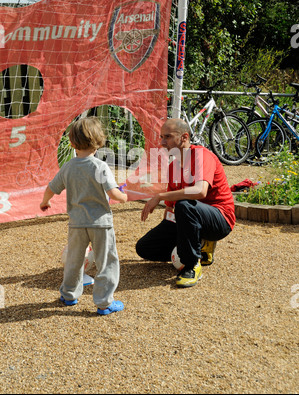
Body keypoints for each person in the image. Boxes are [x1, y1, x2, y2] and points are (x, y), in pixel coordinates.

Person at [40, 117, 127, 315]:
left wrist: (45, 202)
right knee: (107, 261)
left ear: (71, 143)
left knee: (74, 260)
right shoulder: (100, 167)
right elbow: (114, 193)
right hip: (101, 224)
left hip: (77, 223)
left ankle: (69, 295)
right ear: (99, 142)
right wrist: (124, 196)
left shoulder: (68, 167)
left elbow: (51, 188)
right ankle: (104, 303)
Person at [136, 118, 235, 288]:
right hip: (189, 216)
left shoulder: (202, 155)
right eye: (161, 137)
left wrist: (159, 195)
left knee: (184, 204)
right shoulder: (173, 166)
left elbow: (200, 191)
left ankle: (192, 265)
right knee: (144, 248)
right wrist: (166, 229)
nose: (162, 142)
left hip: (220, 219)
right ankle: (196, 247)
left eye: (167, 137)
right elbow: (170, 207)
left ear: (184, 137)